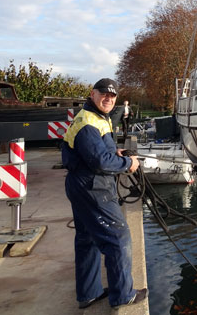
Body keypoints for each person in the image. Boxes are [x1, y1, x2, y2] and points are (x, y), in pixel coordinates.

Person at [62, 78, 147, 310]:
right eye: (103, 94)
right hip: (92, 187)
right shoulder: (89, 122)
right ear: (93, 94)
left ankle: (88, 293)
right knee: (118, 238)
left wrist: (115, 151)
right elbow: (99, 161)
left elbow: (100, 150)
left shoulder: (98, 117)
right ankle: (123, 295)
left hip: (83, 184)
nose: (108, 98)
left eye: (112, 96)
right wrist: (128, 163)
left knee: (87, 239)